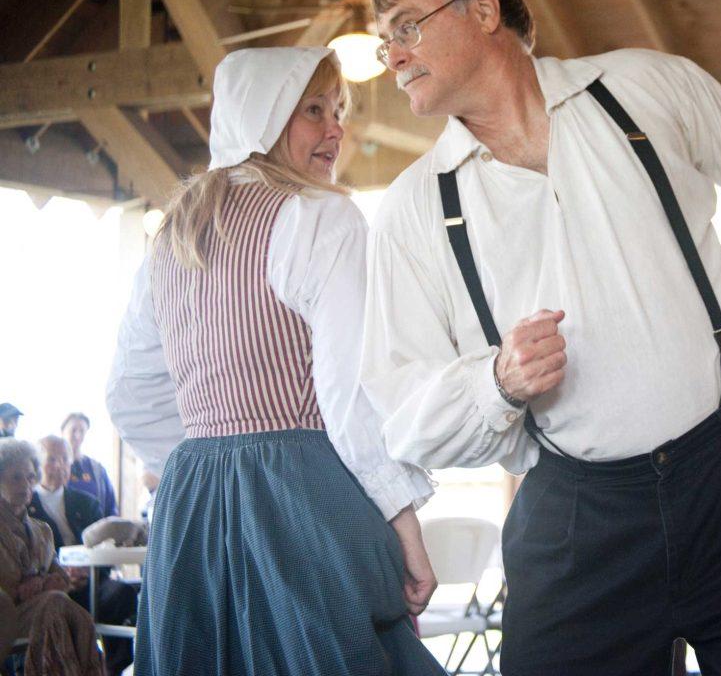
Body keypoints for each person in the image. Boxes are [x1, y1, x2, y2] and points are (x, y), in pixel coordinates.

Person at [362, 0, 721, 675]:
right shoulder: (412, 211)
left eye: (406, 25)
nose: (393, 56)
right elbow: (397, 402)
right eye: (383, 44)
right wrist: (493, 382)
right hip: (577, 524)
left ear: (485, 10)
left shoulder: (646, 87)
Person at [106, 47, 444, 676]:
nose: (336, 128)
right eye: (313, 110)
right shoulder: (319, 216)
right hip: (300, 497)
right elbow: (352, 395)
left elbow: (128, 392)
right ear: (264, 117)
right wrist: (406, 526)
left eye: (337, 111)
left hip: (190, 511)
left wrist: (204, 461)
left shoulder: (175, 232)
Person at [30, 436, 136, 676]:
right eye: (52, 459)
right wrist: (61, 575)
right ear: (37, 464)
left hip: (91, 583)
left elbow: (107, 547)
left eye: (65, 460)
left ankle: (116, 669)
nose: (59, 466)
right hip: (53, 588)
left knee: (123, 593)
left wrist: (89, 572)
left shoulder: (87, 503)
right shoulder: (26, 505)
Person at [0, 438, 102, 676]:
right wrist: (33, 584)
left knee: (80, 616)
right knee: (55, 604)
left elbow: (58, 574)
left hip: (40, 608)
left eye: (30, 477)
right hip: (6, 612)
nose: (25, 485)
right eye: (16, 477)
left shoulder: (42, 530)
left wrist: (56, 580)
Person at [60, 414, 117, 518]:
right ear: (63, 432)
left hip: (96, 529)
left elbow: (111, 506)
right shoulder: (53, 467)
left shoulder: (97, 470)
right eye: (73, 430)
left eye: (82, 431)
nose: (77, 436)